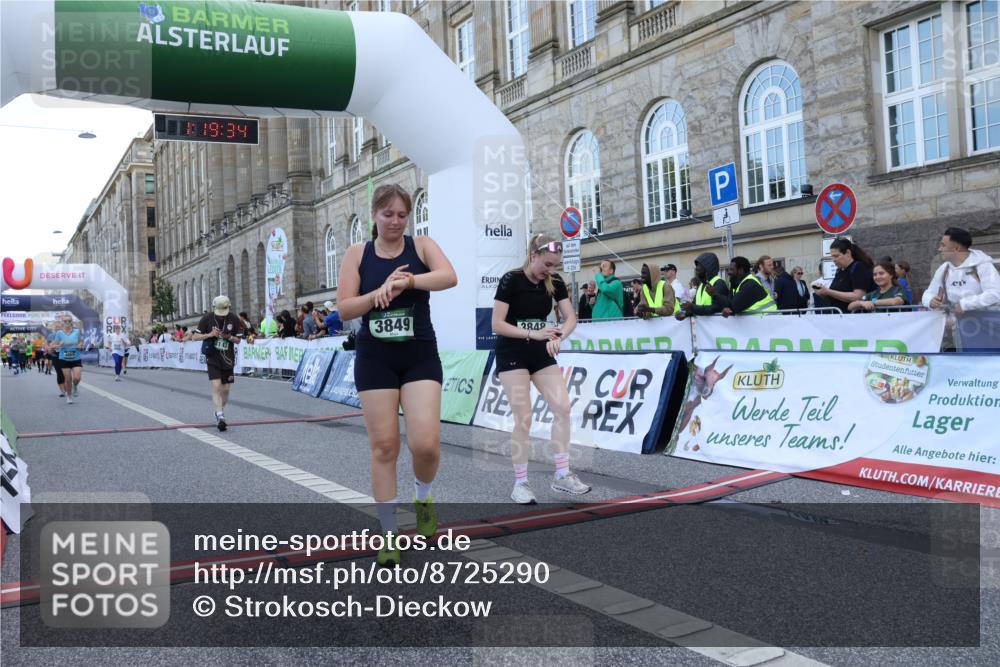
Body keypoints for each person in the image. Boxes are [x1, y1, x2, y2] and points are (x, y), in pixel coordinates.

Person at [337, 183, 457, 567]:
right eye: (387, 214)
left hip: (419, 354)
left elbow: (448, 276)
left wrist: (408, 282)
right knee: (385, 446)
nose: (394, 221)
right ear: (374, 215)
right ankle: (388, 532)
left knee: (426, 445)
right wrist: (378, 294)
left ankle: (423, 498)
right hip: (376, 359)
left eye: (401, 214)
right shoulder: (358, 254)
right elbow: (344, 310)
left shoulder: (421, 246)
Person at [492, 232, 589, 506]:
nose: (551, 270)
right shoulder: (511, 279)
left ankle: (562, 475)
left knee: (563, 408)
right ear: (533, 255)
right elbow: (496, 324)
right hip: (512, 352)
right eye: (547, 264)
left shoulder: (554, 282)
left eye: (555, 265)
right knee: (524, 417)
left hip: (541, 352)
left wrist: (560, 336)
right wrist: (531, 334)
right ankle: (520, 483)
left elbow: (571, 317)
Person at [192, 295, 244, 431]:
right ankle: (220, 416)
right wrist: (209, 335)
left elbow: (238, 340)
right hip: (213, 357)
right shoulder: (207, 318)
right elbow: (194, 337)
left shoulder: (233, 318)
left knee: (226, 389)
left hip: (228, 357)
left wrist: (229, 337)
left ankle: (219, 411)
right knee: (216, 386)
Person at [922, 227, 1000, 313]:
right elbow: (929, 293)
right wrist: (930, 301)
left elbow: (995, 293)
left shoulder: (982, 265)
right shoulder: (944, 269)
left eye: (943, 245)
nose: (939, 249)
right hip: (959, 324)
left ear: (956, 249)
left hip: (986, 323)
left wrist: (965, 304)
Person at [813, 238, 876, 312]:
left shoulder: (858, 267)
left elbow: (859, 296)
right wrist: (823, 292)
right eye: (832, 256)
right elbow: (836, 296)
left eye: (836, 256)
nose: (834, 259)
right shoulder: (840, 271)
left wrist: (828, 291)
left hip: (854, 318)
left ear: (848, 253)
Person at [676, 253, 730, 320]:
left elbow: (716, 308)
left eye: (699, 265)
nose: (696, 268)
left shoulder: (719, 283)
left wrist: (693, 307)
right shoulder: (701, 285)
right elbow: (695, 304)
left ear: (708, 267)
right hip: (703, 329)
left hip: (716, 328)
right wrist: (685, 314)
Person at [51, 315, 84, 403]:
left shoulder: (77, 331)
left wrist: (80, 345)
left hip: (76, 357)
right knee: (68, 379)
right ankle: (69, 397)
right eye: (65, 321)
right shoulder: (59, 333)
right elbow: (53, 346)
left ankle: (75, 386)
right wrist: (59, 345)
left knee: (77, 378)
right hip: (64, 358)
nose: (67, 323)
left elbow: (81, 341)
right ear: (62, 322)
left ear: (71, 322)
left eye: (69, 321)